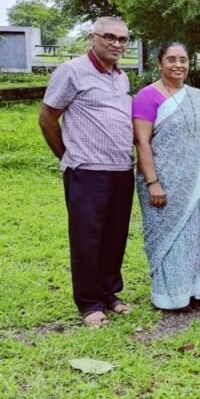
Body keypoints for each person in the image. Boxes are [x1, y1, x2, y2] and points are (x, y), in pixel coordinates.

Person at [39, 17, 134, 327]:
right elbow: (47, 117)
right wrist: (67, 155)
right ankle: (89, 302)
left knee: (114, 235)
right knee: (87, 237)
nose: (117, 44)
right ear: (92, 37)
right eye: (110, 37)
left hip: (121, 169)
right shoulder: (72, 71)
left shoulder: (121, 77)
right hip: (87, 171)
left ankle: (110, 294)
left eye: (122, 39)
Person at [132, 42, 200, 310]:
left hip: (195, 181)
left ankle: (196, 288)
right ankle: (170, 294)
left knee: (195, 234)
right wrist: (153, 182)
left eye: (183, 59)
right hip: (163, 181)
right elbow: (142, 142)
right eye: (171, 59)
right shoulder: (147, 97)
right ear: (159, 64)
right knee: (170, 238)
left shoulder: (199, 98)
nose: (178, 65)